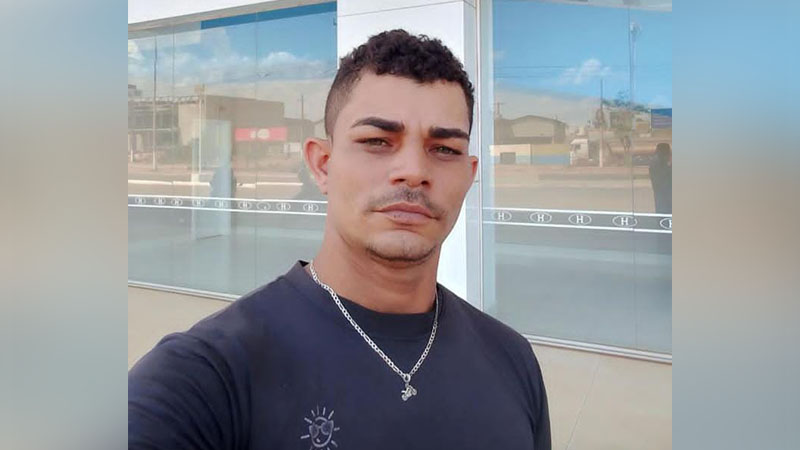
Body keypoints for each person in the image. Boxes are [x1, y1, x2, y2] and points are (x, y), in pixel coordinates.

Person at [129, 29, 551, 450]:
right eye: (377, 141)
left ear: (469, 176)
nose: (413, 170)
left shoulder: (513, 361)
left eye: (443, 149)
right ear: (323, 165)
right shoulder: (206, 378)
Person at [649, 142, 672, 214]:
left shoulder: (656, 160)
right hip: (664, 195)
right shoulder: (659, 161)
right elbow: (664, 177)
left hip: (661, 194)